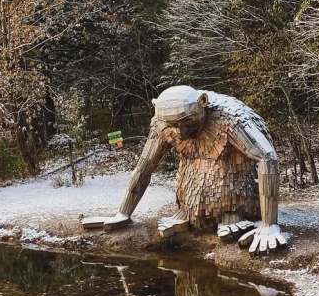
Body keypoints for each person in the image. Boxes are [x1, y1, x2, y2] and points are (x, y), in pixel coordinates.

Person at [83, 85, 288, 254]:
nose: (180, 132)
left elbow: (267, 157)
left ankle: (235, 215)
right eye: (173, 125)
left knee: (229, 208)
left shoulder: (230, 119)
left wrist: (269, 224)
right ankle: (188, 214)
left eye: (187, 122)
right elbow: (145, 166)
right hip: (189, 194)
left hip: (235, 190)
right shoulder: (161, 123)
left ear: (203, 103)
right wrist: (123, 212)